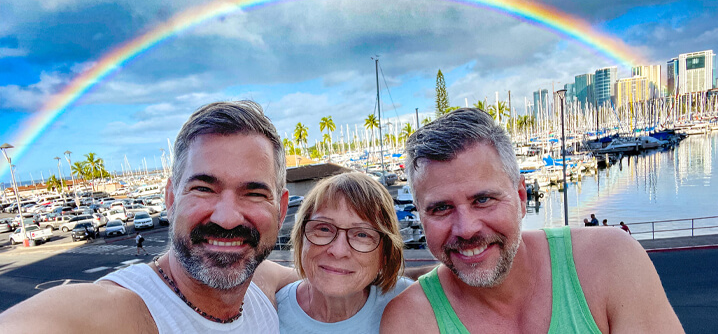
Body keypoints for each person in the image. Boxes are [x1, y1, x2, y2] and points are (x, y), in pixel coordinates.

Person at [381, 108, 682, 333]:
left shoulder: (612, 262)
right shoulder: (411, 322)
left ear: (522, 198)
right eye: (441, 208)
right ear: (421, 217)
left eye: (483, 199)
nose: (467, 228)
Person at [0, 101, 290, 333]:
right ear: (171, 199)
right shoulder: (122, 311)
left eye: (254, 194)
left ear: (282, 210)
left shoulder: (264, 286)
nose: (227, 219)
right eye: (203, 188)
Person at [273, 172, 410, 334]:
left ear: (385, 254)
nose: (338, 251)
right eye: (323, 229)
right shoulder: (268, 315)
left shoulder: (408, 303)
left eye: (362, 234)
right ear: (301, 238)